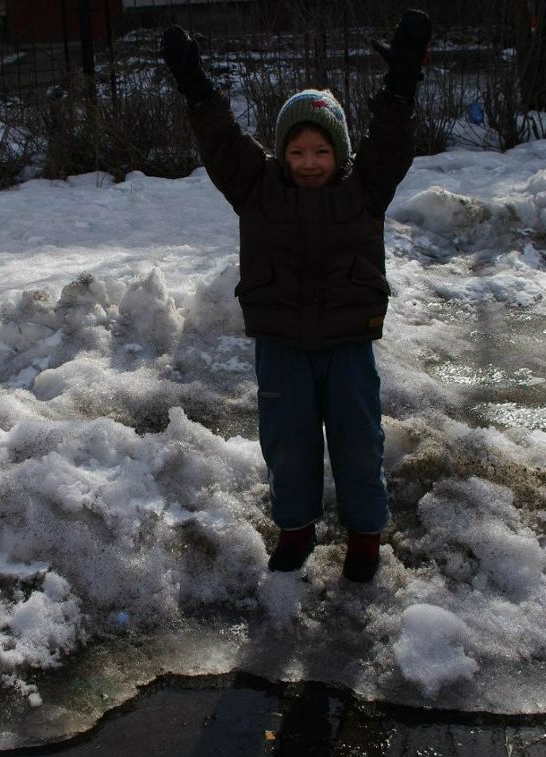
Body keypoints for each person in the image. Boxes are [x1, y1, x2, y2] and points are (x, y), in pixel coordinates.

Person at [161, 10, 432, 582]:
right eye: (298, 152)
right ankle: (296, 530)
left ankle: (364, 537)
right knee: (288, 445)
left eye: (321, 152)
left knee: (360, 442)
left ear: (340, 153)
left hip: (348, 345)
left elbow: (390, 143)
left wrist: (401, 86)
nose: (309, 164)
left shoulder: (365, 190)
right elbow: (222, 141)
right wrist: (197, 89)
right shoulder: (257, 189)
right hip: (281, 345)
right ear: (282, 153)